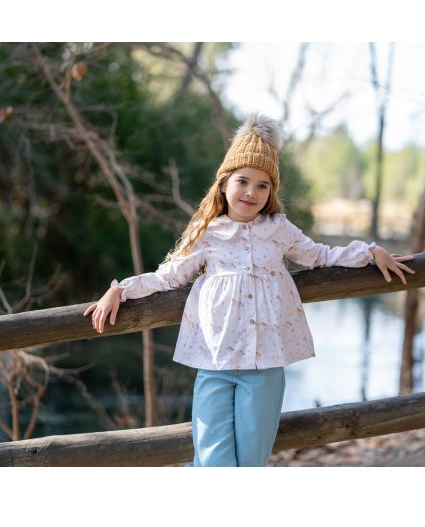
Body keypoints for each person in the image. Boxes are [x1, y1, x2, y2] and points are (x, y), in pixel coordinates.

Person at [83, 113, 416, 467]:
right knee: (212, 458)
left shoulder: (278, 230)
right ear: (224, 183)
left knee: (252, 460)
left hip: (266, 363)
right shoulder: (207, 233)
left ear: (271, 191)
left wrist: (369, 252)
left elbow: (319, 255)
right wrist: (120, 289)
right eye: (243, 181)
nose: (251, 192)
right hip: (214, 361)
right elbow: (168, 277)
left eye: (263, 185)